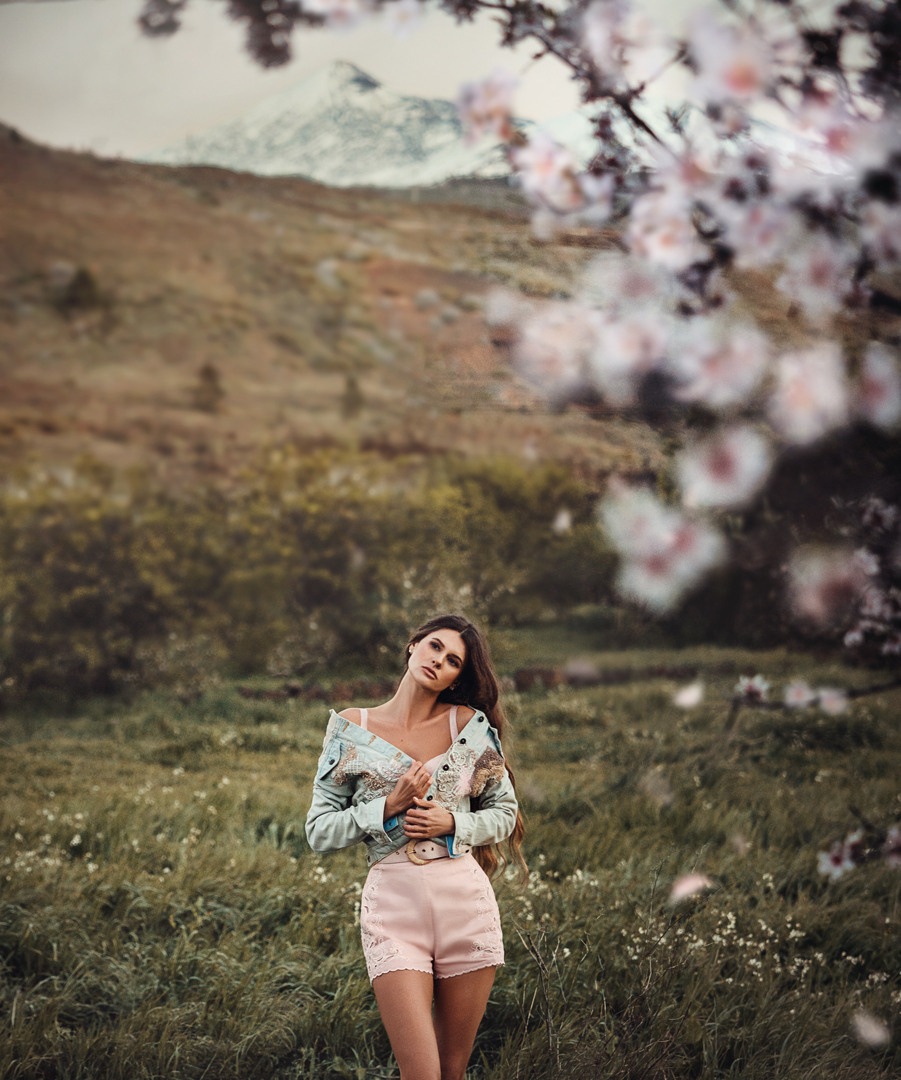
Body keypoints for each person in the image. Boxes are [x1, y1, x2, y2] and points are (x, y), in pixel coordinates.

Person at [305, 614, 526, 1080]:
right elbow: (319, 830)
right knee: (421, 1074)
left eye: (453, 661)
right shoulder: (351, 727)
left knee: (452, 1070)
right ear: (413, 645)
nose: (439, 661)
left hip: (464, 903)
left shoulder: (467, 727)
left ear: (456, 677)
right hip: (394, 908)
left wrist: (454, 822)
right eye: (434, 647)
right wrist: (387, 806)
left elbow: (505, 813)